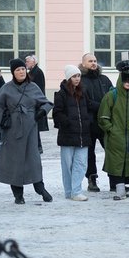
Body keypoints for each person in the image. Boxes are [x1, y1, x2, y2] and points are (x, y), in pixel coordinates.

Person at [0, 58, 54, 204]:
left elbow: (47, 103)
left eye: (23, 69)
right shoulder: (6, 88)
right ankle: (18, 195)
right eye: (18, 70)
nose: (21, 72)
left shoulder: (33, 87)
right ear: (13, 72)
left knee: (33, 160)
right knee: (15, 162)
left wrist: (41, 112)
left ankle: (40, 188)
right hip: (13, 130)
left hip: (30, 128)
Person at [98, 70, 129, 199]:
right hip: (116, 137)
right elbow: (103, 116)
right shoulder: (112, 96)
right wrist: (111, 130)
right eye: (125, 80)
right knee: (116, 163)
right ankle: (119, 189)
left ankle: (122, 187)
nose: (128, 83)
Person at [53, 64, 93, 200]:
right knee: (67, 165)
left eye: (79, 76)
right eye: (74, 76)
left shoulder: (83, 92)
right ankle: (69, 191)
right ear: (69, 78)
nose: (77, 79)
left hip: (83, 134)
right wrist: (68, 123)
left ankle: (76, 191)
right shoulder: (61, 94)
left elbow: (89, 107)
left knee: (81, 164)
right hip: (68, 135)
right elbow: (57, 113)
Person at [79, 53, 113, 192]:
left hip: (105, 122)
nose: (93, 63)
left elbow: (112, 95)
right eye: (90, 61)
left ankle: (115, 180)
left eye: (95, 61)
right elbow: (84, 101)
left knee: (112, 151)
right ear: (83, 64)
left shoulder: (104, 79)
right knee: (89, 153)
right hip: (89, 122)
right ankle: (91, 179)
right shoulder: (80, 80)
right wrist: (102, 106)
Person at [26, 54, 48, 150]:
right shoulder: (32, 71)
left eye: (27, 61)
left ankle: (38, 147)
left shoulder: (37, 72)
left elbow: (39, 88)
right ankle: (37, 146)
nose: (26, 63)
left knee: (35, 126)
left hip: (36, 103)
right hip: (34, 102)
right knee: (34, 127)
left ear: (33, 62)